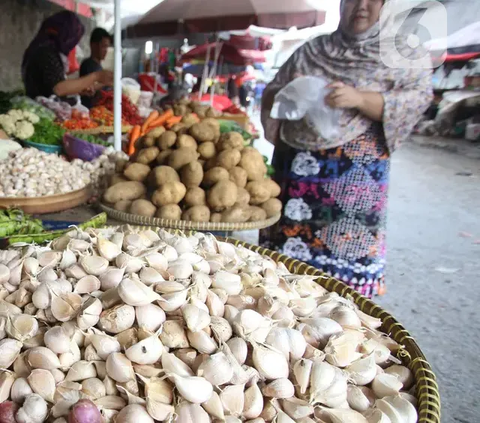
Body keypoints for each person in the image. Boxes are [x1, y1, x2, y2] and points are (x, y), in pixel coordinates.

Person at [260, 0, 433, 298]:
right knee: (285, 275)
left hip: (354, 179)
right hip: (297, 171)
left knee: (342, 286)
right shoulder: (311, 51)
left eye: (371, 0)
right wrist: (294, 92)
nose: (361, 7)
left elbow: (417, 99)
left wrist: (359, 99)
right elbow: (273, 93)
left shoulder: (401, 54)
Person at [22, 11, 113, 100]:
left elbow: (56, 86)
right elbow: (58, 89)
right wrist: (96, 76)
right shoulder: (45, 53)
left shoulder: (49, 50)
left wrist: (79, 90)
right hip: (41, 110)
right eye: (71, 38)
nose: (71, 44)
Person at [79, 27, 112, 108]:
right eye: (103, 46)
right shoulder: (88, 65)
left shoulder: (98, 66)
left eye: (107, 47)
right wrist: (106, 82)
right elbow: (87, 88)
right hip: (90, 110)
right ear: (93, 45)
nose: (106, 50)